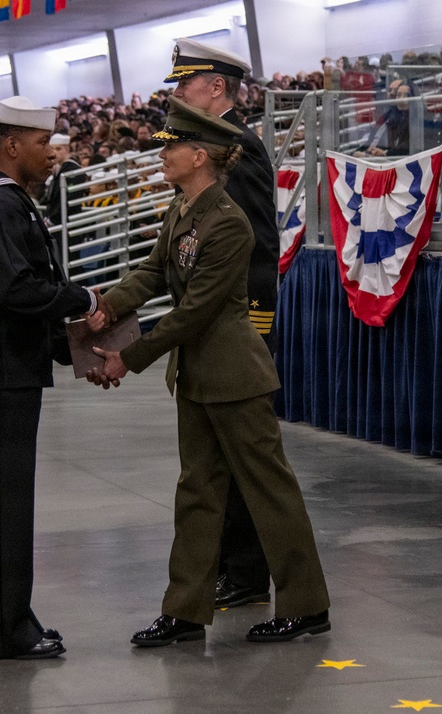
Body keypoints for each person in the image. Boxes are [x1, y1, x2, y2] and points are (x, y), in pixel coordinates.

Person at [85, 97, 330, 646]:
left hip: (235, 377)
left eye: (171, 147)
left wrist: (130, 355)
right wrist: (107, 308)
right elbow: (151, 273)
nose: (163, 155)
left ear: (200, 155)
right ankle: (186, 611)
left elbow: (196, 310)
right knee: (197, 492)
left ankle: (307, 604)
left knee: (270, 491)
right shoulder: (182, 209)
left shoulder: (228, 222)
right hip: (197, 376)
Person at [0, 96, 101, 660]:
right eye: (42, 144)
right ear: (12, 145)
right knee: (2, 509)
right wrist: (85, 300)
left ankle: (1, 620)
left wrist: (71, 349)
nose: (52, 155)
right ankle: (1, 631)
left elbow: (14, 292)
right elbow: (16, 291)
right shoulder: (0, 206)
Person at [166, 37, 280, 608]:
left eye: (186, 83)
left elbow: (257, 240)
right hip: (212, 322)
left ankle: (248, 573)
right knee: (217, 459)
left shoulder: (241, 146)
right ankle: (235, 569)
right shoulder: (208, 144)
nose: (178, 92)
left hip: (238, 322)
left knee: (245, 459)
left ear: (216, 87)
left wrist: (254, 323)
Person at [43, 133, 82, 226]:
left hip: (68, 224)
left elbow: (69, 199)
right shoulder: (59, 170)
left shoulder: (72, 170)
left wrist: (53, 219)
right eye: (52, 149)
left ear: (67, 149)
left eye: (58, 149)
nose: (54, 152)